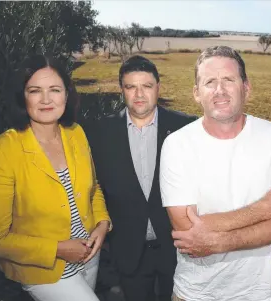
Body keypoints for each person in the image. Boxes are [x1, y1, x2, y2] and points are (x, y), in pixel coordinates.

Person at [159, 45, 271, 301]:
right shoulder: (177, 144)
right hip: (193, 294)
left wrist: (218, 242)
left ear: (246, 87)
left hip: (256, 294)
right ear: (196, 93)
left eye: (228, 80)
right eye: (209, 82)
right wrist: (265, 209)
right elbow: (186, 229)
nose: (220, 90)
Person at [0, 54, 112, 301]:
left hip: (89, 255)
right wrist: (58, 249)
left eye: (55, 90)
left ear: (66, 96)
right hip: (43, 270)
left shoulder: (76, 133)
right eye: (35, 90)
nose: (46, 99)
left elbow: (94, 189)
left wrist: (102, 224)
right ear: (22, 97)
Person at [83, 55, 197, 301]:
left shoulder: (185, 128)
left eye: (146, 86)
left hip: (178, 248)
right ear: (121, 90)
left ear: (158, 88)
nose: (139, 94)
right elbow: (94, 187)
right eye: (130, 86)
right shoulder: (99, 132)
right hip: (128, 251)